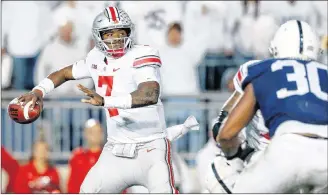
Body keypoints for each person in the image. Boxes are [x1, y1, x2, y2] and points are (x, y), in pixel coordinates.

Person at [18, 6, 178, 193]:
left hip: (150, 146)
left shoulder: (142, 53)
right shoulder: (95, 58)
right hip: (116, 149)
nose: (117, 38)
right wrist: (38, 91)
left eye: (121, 32)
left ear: (130, 32)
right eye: (109, 34)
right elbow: (64, 73)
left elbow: (149, 94)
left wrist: (106, 101)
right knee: (87, 190)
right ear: (99, 36)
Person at [217, 20, 327, 193]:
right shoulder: (325, 72)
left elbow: (225, 131)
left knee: (217, 172)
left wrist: (233, 155)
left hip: (281, 153)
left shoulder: (261, 69)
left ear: (276, 47)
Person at [67, 119, 104, 193]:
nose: (95, 135)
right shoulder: (77, 156)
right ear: (86, 134)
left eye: (98, 132)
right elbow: (72, 186)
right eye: (91, 132)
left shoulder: (109, 157)